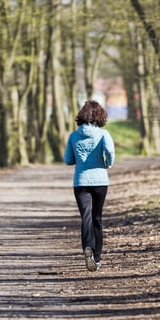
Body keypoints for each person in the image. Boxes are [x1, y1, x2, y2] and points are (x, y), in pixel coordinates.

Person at [64, 100, 115, 272]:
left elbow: (68, 160)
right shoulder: (104, 134)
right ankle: (97, 258)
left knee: (85, 217)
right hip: (100, 181)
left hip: (80, 182)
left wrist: (79, 159)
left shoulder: (73, 136)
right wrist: (108, 163)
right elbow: (110, 152)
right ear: (100, 116)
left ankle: (88, 246)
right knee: (97, 218)